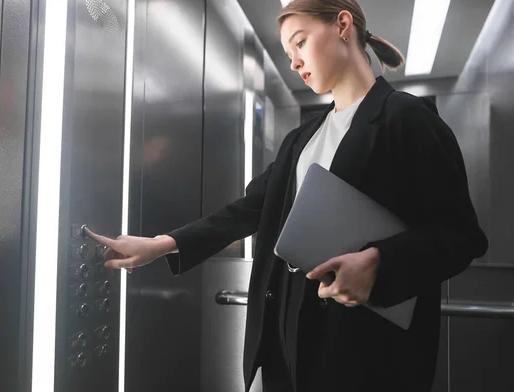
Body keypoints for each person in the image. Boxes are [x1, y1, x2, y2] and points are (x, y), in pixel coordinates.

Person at [85, 0, 489, 391]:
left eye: (299, 42)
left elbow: (460, 236)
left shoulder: (407, 119)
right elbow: (250, 209)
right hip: (285, 346)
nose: (293, 62)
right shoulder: (302, 138)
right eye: (287, 51)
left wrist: (379, 263)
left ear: (342, 26)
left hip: (362, 352)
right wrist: (163, 244)